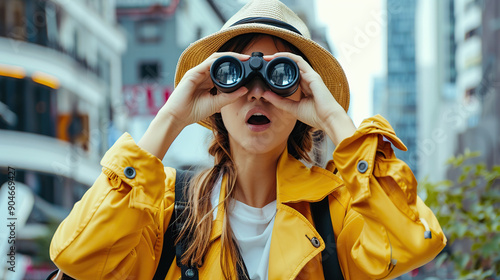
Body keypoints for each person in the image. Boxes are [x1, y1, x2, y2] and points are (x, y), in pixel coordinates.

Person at [49, 0, 446, 279]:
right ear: (214, 98)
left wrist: (331, 115)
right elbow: (77, 256)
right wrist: (171, 116)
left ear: (304, 94)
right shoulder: (167, 208)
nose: (258, 92)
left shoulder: (337, 214)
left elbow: (414, 241)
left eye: (282, 76)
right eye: (235, 74)